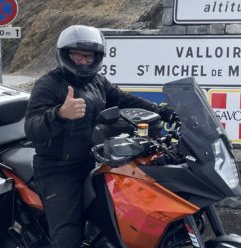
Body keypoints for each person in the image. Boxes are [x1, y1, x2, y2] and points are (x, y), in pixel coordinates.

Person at [24, 25, 177, 248]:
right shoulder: (49, 85)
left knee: (113, 221)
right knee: (67, 238)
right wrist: (59, 114)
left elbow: (124, 99)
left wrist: (162, 111)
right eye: (78, 55)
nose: (84, 61)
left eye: (89, 56)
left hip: (92, 162)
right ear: (65, 54)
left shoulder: (97, 81)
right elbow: (31, 127)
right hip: (57, 169)